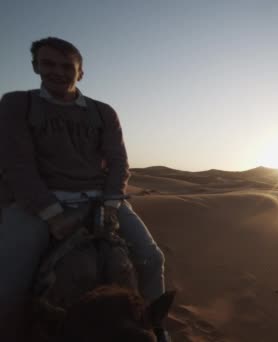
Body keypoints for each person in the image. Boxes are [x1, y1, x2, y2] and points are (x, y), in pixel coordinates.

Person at [0, 37, 171, 342]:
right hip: (40, 203)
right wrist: (51, 213)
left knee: (151, 258)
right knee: (10, 285)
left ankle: (155, 327)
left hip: (100, 199)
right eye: (48, 63)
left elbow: (119, 162)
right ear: (35, 67)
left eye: (67, 66)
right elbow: (17, 165)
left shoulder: (103, 112)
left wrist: (110, 203)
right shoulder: (17, 103)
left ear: (80, 72)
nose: (57, 72)